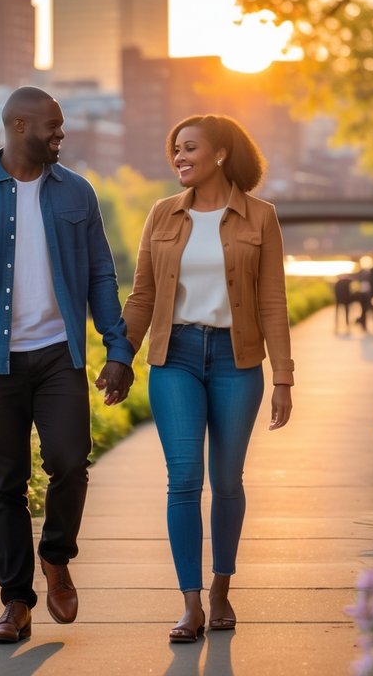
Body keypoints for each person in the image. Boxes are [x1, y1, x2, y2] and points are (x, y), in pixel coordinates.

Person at [0, 85, 135, 644]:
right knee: (5, 485)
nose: (61, 135)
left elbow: (100, 276)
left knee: (70, 463)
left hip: (58, 355)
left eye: (61, 126)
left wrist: (118, 349)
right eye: (52, 127)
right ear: (18, 126)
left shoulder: (78, 194)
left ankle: (57, 555)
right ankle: (15, 603)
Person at [117, 113, 294, 642]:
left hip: (238, 362)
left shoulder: (261, 217)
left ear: (220, 154)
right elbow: (143, 294)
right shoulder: (162, 215)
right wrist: (119, 354)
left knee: (227, 482)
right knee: (184, 480)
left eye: (189, 148)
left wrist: (282, 376)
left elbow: (272, 300)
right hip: (176, 358)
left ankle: (221, 589)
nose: (178, 157)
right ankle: (190, 604)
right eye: (174, 149)